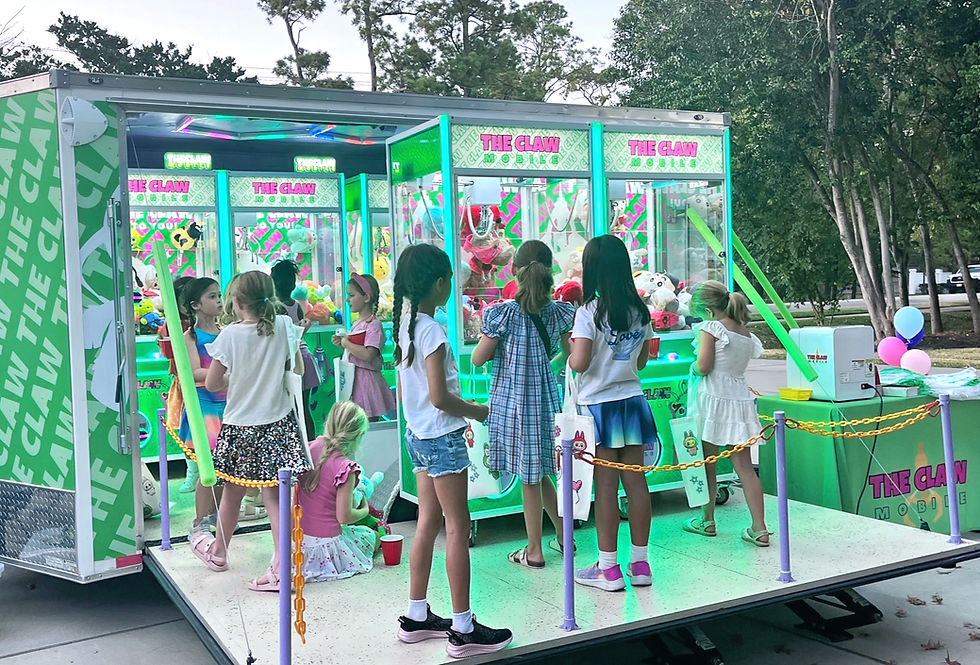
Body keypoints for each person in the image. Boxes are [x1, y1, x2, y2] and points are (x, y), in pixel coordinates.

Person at [392, 243, 512, 658]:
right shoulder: (432, 331)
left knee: (427, 522)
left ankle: (416, 615)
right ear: (440, 283)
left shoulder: (405, 324)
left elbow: (415, 394)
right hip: (442, 437)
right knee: (458, 526)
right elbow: (440, 397)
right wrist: (479, 411)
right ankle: (463, 627)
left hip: (419, 436)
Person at [192, 270, 313, 591]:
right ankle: (283, 565)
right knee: (275, 496)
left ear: (237, 301)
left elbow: (213, 382)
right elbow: (297, 369)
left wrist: (237, 377)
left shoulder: (230, 335)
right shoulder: (284, 325)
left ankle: (219, 552)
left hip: (240, 426)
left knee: (233, 492)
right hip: (278, 424)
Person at [471, 240, 574, 568]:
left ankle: (534, 550)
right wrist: (547, 367)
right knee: (539, 472)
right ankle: (564, 536)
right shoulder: (559, 312)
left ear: (514, 270)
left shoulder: (502, 313)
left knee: (529, 479)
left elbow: (478, 358)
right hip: (544, 402)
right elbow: (569, 354)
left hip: (513, 405)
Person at [569, 234, 657, 592]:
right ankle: (641, 564)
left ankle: (608, 568)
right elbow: (642, 361)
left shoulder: (588, 313)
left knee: (605, 487)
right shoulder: (640, 311)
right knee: (636, 482)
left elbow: (580, 362)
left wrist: (570, 348)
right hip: (632, 401)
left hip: (599, 406)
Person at [681, 280, 770, 546]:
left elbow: (704, 366)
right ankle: (760, 528)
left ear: (708, 311)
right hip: (738, 400)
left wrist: (692, 368)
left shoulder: (711, 328)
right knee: (744, 467)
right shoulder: (745, 333)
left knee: (707, 462)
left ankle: (707, 520)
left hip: (712, 400)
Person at [296, 401, 379, 581]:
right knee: (373, 536)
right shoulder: (346, 468)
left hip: (296, 544)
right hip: (327, 547)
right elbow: (344, 517)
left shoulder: (307, 449)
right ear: (358, 436)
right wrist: (364, 510)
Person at [178, 277, 227, 540]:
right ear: (195, 305)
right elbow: (194, 371)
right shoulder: (190, 337)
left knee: (225, 467)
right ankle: (199, 521)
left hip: (228, 403)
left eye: (219, 295)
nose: (219, 300)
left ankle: (217, 515)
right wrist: (227, 376)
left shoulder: (226, 331)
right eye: (212, 296)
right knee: (210, 467)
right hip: (204, 403)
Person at [333, 272, 396, 421]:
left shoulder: (374, 325)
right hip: (355, 380)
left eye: (351, 295)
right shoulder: (358, 323)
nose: (347, 299)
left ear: (366, 297)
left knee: (367, 425)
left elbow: (368, 354)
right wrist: (344, 346)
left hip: (366, 383)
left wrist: (346, 343)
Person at [271, 260, 320, 439]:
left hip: (292, 360)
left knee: (293, 409)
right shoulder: (296, 305)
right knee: (304, 408)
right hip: (305, 356)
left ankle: (300, 444)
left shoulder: (276, 307)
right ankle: (310, 443)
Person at [156, 275, 195, 492]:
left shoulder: (204, 322)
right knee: (186, 430)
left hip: (202, 384)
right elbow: (168, 352)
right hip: (183, 382)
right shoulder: (172, 324)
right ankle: (192, 472)